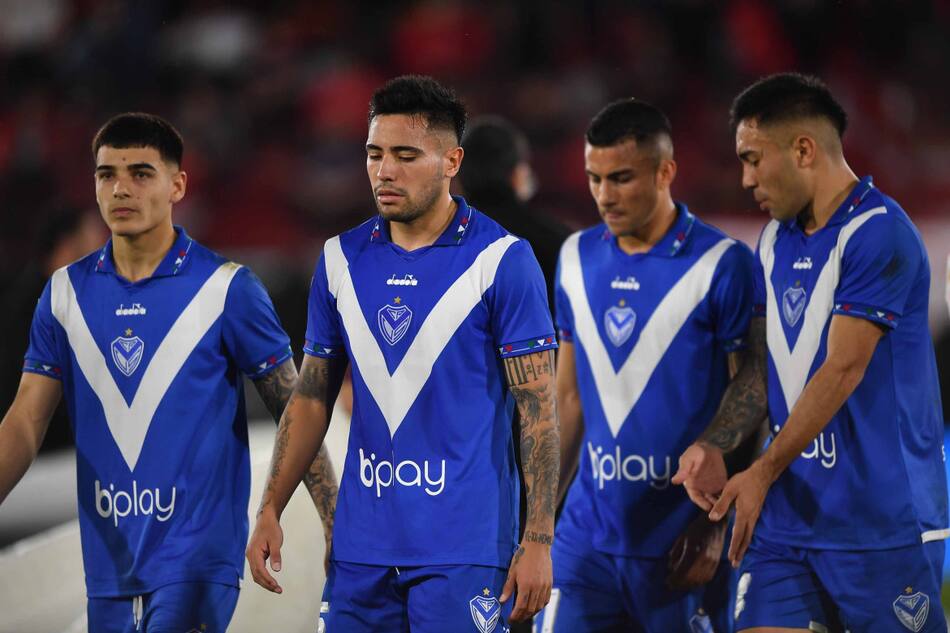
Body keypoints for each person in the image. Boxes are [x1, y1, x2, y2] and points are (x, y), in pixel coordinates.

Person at [246, 75, 560, 632]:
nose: (384, 170)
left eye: (405, 155)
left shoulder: (503, 261)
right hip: (362, 550)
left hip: (466, 549)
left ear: (450, 161)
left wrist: (537, 538)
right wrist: (271, 504)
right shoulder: (339, 259)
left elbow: (539, 408)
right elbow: (313, 394)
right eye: (374, 154)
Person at [0, 112, 337, 632]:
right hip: (110, 567)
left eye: (140, 173)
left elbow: (297, 409)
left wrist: (336, 525)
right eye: (106, 174)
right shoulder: (64, 295)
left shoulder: (228, 290)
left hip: (197, 560)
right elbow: (25, 420)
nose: (121, 189)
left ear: (177, 184)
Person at [709, 72, 948, 633]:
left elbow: (843, 368)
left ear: (803, 149)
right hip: (790, 520)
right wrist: (716, 444)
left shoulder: (878, 234)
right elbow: (768, 365)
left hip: (882, 523)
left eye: (752, 159)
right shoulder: (773, 240)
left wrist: (762, 470)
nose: (744, 179)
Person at [534, 98, 764, 632]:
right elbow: (568, 399)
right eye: (594, 179)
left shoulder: (722, 264)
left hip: (680, 544)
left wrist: (715, 526)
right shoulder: (574, 257)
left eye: (620, 178)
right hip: (586, 538)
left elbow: (751, 396)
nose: (604, 196)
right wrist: (539, 524)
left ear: (666, 172)